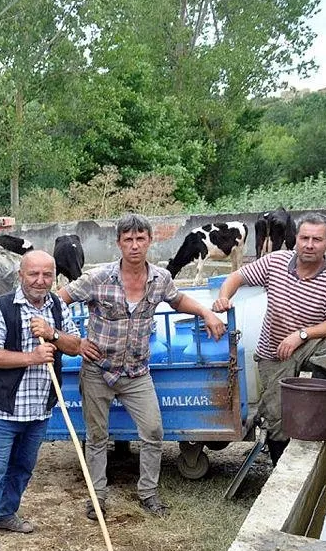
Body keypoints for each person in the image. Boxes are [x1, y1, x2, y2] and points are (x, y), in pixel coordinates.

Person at [58, 213, 226, 517]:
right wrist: (71, 340)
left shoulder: (160, 278)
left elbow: (177, 301)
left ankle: (148, 493)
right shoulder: (98, 278)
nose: (134, 246)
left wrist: (206, 313)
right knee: (96, 436)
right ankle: (97, 497)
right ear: (119, 243)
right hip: (98, 370)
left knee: (153, 430)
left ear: (149, 240)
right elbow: (60, 300)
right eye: (128, 240)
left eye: (140, 239)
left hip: (137, 372)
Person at [213, 212, 326, 465]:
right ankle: (281, 466)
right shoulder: (276, 262)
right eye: (304, 238)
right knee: (275, 417)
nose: (309, 245)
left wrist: (301, 335)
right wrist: (224, 297)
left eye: (317, 239)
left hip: (306, 345)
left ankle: (314, 403)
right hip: (273, 351)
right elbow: (237, 277)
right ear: (295, 239)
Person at [0, 251, 81, 551]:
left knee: (23, 467)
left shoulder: (57, 306)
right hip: (6, 408)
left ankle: (5, 514)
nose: (40, 281)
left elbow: (75, 346)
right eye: (34, 274)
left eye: (47, 275)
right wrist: (32, 357)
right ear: (21, 275)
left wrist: (52, 333)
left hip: (39, 407)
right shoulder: (0, 307)